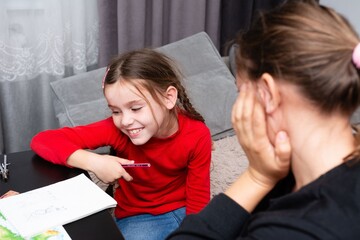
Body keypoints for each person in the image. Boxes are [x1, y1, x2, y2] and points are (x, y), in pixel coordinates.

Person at [167, 0, 360, 239]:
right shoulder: (295, 177)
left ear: (267, 93)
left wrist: (256, 176)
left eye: (241, 92)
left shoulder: (289, 228)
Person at [30, 49, 212, 240]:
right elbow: (42, 140)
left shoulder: (198, 134)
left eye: (135, 108)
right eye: (116, 111)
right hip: (140, 218)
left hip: (184, 210)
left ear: (168, 98)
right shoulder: (116, 129)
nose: (125, 121)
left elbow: (198, 202)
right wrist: (94, 162)